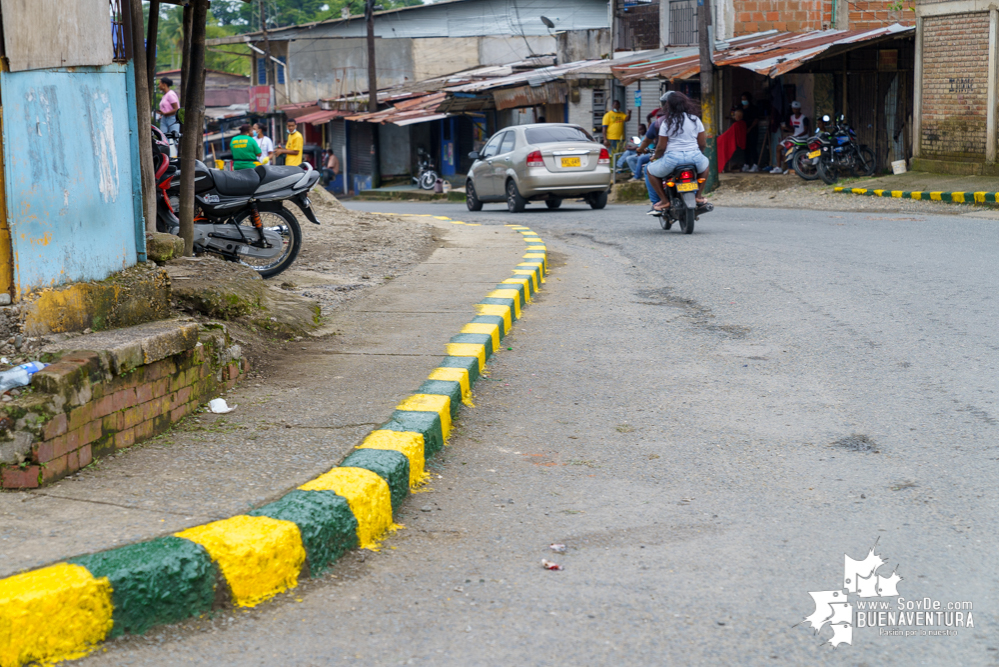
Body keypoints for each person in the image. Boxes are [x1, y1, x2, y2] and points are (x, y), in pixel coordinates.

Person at [646, 91, 710, 212]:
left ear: (668, 106)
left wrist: (654, 157)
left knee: (650, 170)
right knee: (705, 165)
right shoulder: (695, 119)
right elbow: (702, 143)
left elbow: (661, 147)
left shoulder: (666, 122)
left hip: (672, 160)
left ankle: (664, 201)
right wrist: (698, 154)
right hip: (694, 157)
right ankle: (698, 196)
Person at [739, 92, 760, 172]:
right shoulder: (740, 107)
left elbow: (756, 120)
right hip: (743, 131)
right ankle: (746, 164)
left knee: (753, 147)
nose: (743, 101)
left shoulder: (753, 108)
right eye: (742, 99)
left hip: (752, 130)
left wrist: (749, 128)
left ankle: (755, 165)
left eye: (745, 99)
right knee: (745, 148)